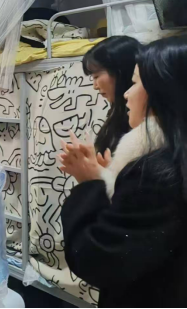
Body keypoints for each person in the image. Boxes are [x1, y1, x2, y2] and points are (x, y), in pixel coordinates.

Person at [59, 35, 187, 308]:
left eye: (136, 82)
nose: (128, 93)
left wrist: (91, 183)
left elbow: (96, 257)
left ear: (162, 90)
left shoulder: (156, 174)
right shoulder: (167, 155)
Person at [82, 36, 142, 156]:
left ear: (120, 72)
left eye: (96, 76)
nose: (95, 86)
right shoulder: (117, 112)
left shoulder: (141, 119)